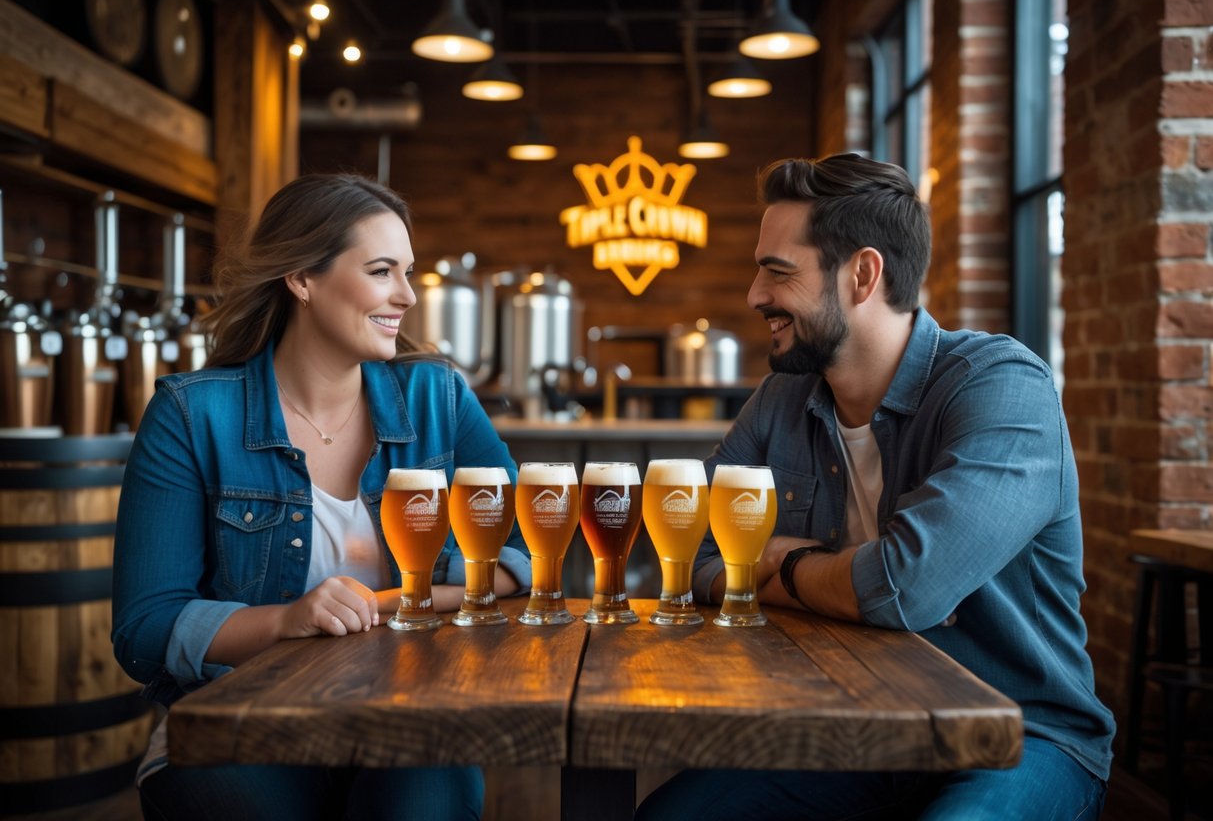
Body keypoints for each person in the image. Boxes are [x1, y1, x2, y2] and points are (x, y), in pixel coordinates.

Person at [637, 154, 1114, 820]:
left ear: (861, 274)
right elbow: (681, 552)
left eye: (776, 272)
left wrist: (782, 560)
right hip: (847, 734)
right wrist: (837, 580)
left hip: (1015, 735)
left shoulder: (1002, 385)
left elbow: (902, 587)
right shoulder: (782, 397)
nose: (752, 295)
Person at [111, 173, 530, 821]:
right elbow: (144, 628)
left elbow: (522, 552)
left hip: (408, 712)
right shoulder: (192, 415)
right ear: (302, 279)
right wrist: (285, 622)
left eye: (408, 272)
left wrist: (394, 603)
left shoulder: (437, 397)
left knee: (431, 800)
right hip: (238, 725)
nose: (407, 296)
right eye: (382, 271)